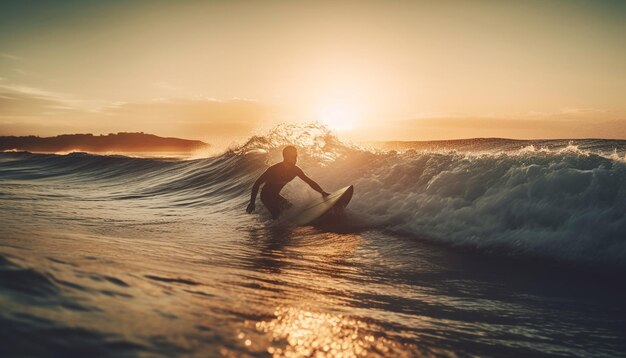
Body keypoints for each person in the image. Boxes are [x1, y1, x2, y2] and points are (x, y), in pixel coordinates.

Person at [247, 145, 329, 219]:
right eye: (293, 157)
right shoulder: (274, 169)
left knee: (290, 210)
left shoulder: (296, 170)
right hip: (265, 196)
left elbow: (309, 182)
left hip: (276, 195)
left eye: (296, 156)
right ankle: (274, 230)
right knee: (278, 215)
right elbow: (257, 184)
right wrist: (252, 202)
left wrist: (322, 192)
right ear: (285, 157)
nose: (295, 159)